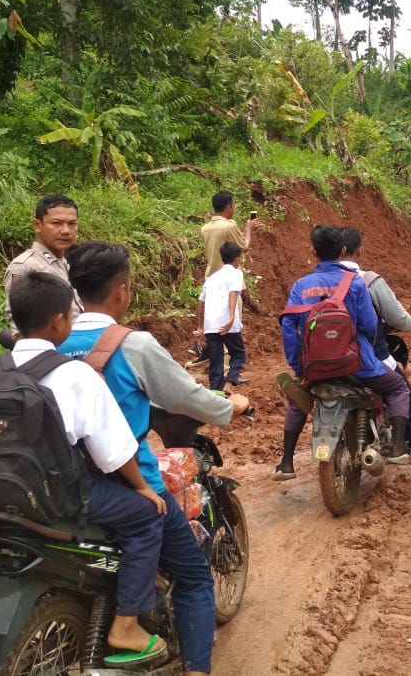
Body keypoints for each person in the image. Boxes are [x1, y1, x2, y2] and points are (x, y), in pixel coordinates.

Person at [59, 242, 250, 676]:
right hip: (130, 482)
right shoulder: (135, 344)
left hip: (65, 481)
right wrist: (230, 407)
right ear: (122, 291)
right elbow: (186, 396)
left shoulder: (53, 338)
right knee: (196, 577)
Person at [0, 272, 168, 664]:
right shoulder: (73, 374)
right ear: (59, 322)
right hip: (56, 500)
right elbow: (114, 453)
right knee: (147, 517)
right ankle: (127, 627)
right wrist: (144, 490)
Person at [274, 224, 411, 479]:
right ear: (344, 250)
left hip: (313, 367)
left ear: (313, 251)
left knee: (298, 399)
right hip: (358, 365)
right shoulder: (355, 283)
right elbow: (370, 325)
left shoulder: (300, 286)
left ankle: (286, 463)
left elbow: (288, 327)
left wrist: (298, 367)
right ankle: (397, 448)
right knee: (398, 388)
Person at [339, 227, 411, 479]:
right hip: (369, 360)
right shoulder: (368, 280)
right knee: (408, 401)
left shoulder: (316, 282)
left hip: (325, 360)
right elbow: (396, 318)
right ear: (358, 250)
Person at [2, 194, 82, 340]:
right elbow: (18, 322)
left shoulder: (69, 262)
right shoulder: (24, 266)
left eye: (72, 224)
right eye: (56, 223)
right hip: (50, 354)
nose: (66, 230)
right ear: (37, 225)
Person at [195, 242, 248, 391]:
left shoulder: (211, 278)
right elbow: (232, 293)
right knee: (238, 354)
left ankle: (216, 397)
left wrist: (200, 326)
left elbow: (200, 302)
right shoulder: (236, 273)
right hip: (227, 324)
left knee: (215, 362)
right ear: (237, 259)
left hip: (211, 325)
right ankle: (230, 383)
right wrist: (231, 318)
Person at [200, 190, 261, 278]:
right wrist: (249, 229)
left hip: (211, 277)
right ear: (228, 208)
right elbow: (244, 247)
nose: (234, 209)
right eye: (233, 206)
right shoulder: (229, 226)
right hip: (228, 278)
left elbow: (235, 242)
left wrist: (248, 230)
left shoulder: (205, 228)